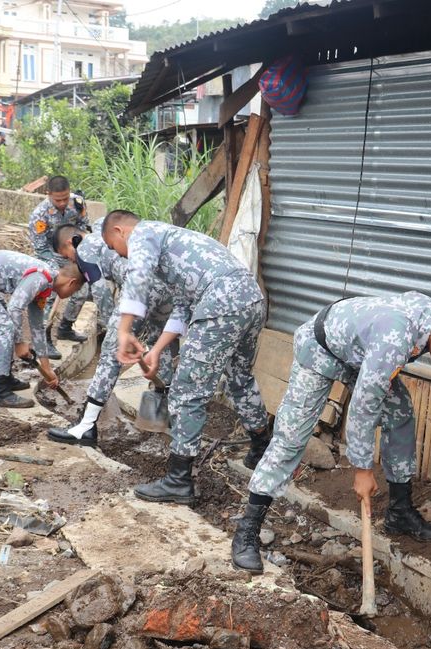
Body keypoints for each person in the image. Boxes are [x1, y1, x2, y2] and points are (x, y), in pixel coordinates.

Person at [232, 295, 431, 572]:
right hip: (320, 350)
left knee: (400, 412)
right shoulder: (396, 340)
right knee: (291, 438)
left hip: (359, 356)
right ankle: (247, 531)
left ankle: (399, 511)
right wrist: (362, 470)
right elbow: (363, 406)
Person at [102, 210, 271, 503]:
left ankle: (179, 480)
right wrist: (155, 350)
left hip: (221, 302)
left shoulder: (143, 232)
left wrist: (124, 329)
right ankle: (261, 449)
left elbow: (137, 276)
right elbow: (183, 306)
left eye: (117, 249)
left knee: (188, 391)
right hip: (251, 300)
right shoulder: (176, 245)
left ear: (120, 231)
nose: (125, 256)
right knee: (240, 377)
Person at [47, 223, 174, 447]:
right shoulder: (103, 240)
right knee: (158, 346)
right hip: (167, 289)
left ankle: (86, 426)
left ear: (70, 243)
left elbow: (100, 290)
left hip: (140, 290)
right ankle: (168, 407)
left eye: (65, 255)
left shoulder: (84, 248)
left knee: (110, 354)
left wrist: (110, 330)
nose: (70, 260)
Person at [0, 248, 79, 408]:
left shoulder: (46, 286)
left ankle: (6, 377)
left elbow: (37, 327)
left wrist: (47, 368)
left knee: (7, 322)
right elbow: (14, 308)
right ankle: (0, 391)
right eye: (76, 290)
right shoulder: (42, 278)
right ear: (72, 282)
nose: (74, 293)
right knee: (3, 325)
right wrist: (19, 343)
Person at [28, 176, 91, 347]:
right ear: (48, 194)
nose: (63, 203)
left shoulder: (77, 204)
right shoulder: (39, 215)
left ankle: (66, 327)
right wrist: (56, 269)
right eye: (58, 199)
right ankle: (44, 338)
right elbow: (40, 249)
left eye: (65, 198)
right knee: (49, 296)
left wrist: (77, 254)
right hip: (50, 257)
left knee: (81, 292)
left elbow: (84, 228)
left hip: (72, 254)